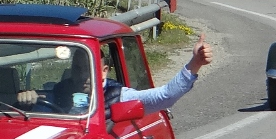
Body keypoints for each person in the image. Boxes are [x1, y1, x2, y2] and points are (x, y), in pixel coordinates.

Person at [16, 35, 213, 116]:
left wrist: (195, 63)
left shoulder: (118, 95)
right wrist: (28, 100)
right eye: (78, 69)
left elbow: (165, 96)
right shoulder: (57, 92)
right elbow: (38, 114)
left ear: (104, 70)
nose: (84, 75)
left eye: (90, 68)